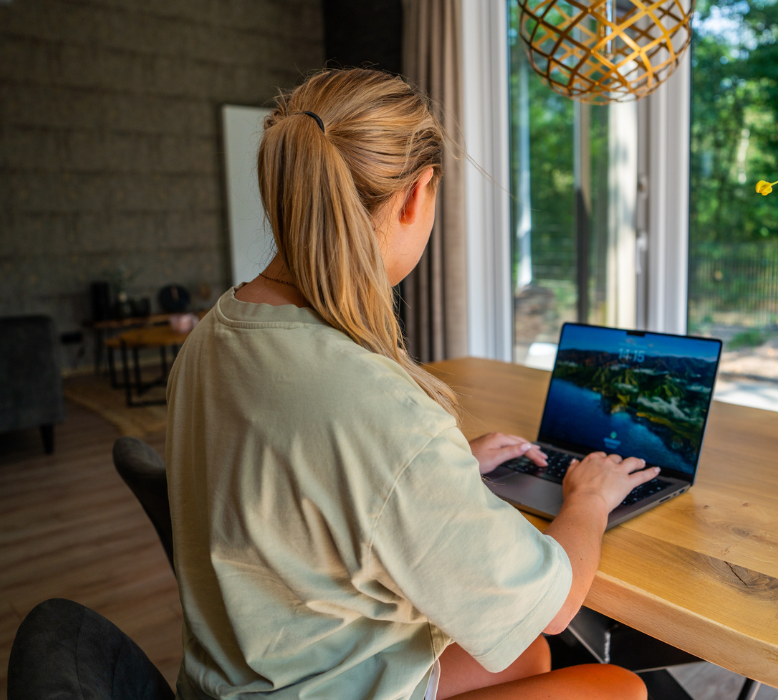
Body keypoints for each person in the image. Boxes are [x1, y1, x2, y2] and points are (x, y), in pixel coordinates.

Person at [165, 68, 658, 700]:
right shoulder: (379, 405)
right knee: (617, 688)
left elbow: (295, 468)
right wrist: (589, 497)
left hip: (261, 667)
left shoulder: (216, 330)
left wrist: (438, 469)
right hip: (317, 688)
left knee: (527, 658)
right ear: (416, 194)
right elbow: (553, 607)